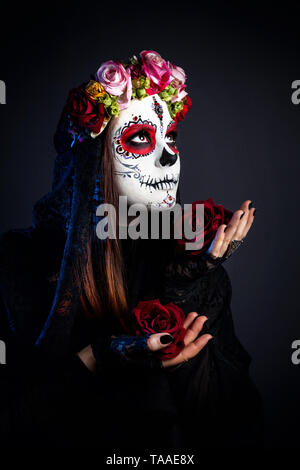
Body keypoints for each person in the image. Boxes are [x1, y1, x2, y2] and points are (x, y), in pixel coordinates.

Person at [0, 50, 262, 450]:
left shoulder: (193, 270)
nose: (170, 155)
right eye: (141, 138)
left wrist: (191, 282)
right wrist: (100, 356)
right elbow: (15, 421)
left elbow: (232, 424)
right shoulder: (21, 262)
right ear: (92, 157)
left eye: (170, 135)